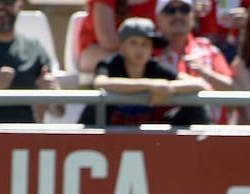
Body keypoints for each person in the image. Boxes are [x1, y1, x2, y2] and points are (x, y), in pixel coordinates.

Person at [80, 16, 209, 126]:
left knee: (196, 109)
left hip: (144, 139)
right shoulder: (110, 63)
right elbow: (101, 83)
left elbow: (199, 84)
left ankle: (202, 147)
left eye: (144, 44)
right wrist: (150, 85)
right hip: (107, 137)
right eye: (133, 43)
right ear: (122, 46)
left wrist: (167, 87)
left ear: (151, 49)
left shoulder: (154, 66)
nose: (139, 49)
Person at [154, 0, 233, 121]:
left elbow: (234, 89)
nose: (178, 15)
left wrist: (205, 72)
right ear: (158, 17)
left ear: (193, 15)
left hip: (212, 133)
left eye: (184, 10)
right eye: (170, 10)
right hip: (163, 135)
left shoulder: (209, 50)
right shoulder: (148, 54)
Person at [74, 0, 160, 74]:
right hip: (98, 54)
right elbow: (107, 40)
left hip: (147, 56)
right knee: (131, 64)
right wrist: (141, 49)